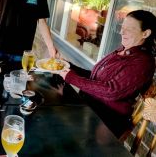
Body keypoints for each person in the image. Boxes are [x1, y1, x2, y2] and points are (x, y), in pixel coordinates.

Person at [58, 10, 156, 138]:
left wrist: (71, 77)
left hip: (105, 120)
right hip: (89, 106)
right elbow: (95, 76)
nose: (122, 32)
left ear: (146, 33)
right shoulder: (123, 50)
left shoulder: (143, 62)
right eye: (122, 27)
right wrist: (69, 66)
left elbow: (112, 91)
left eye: (129, 29)